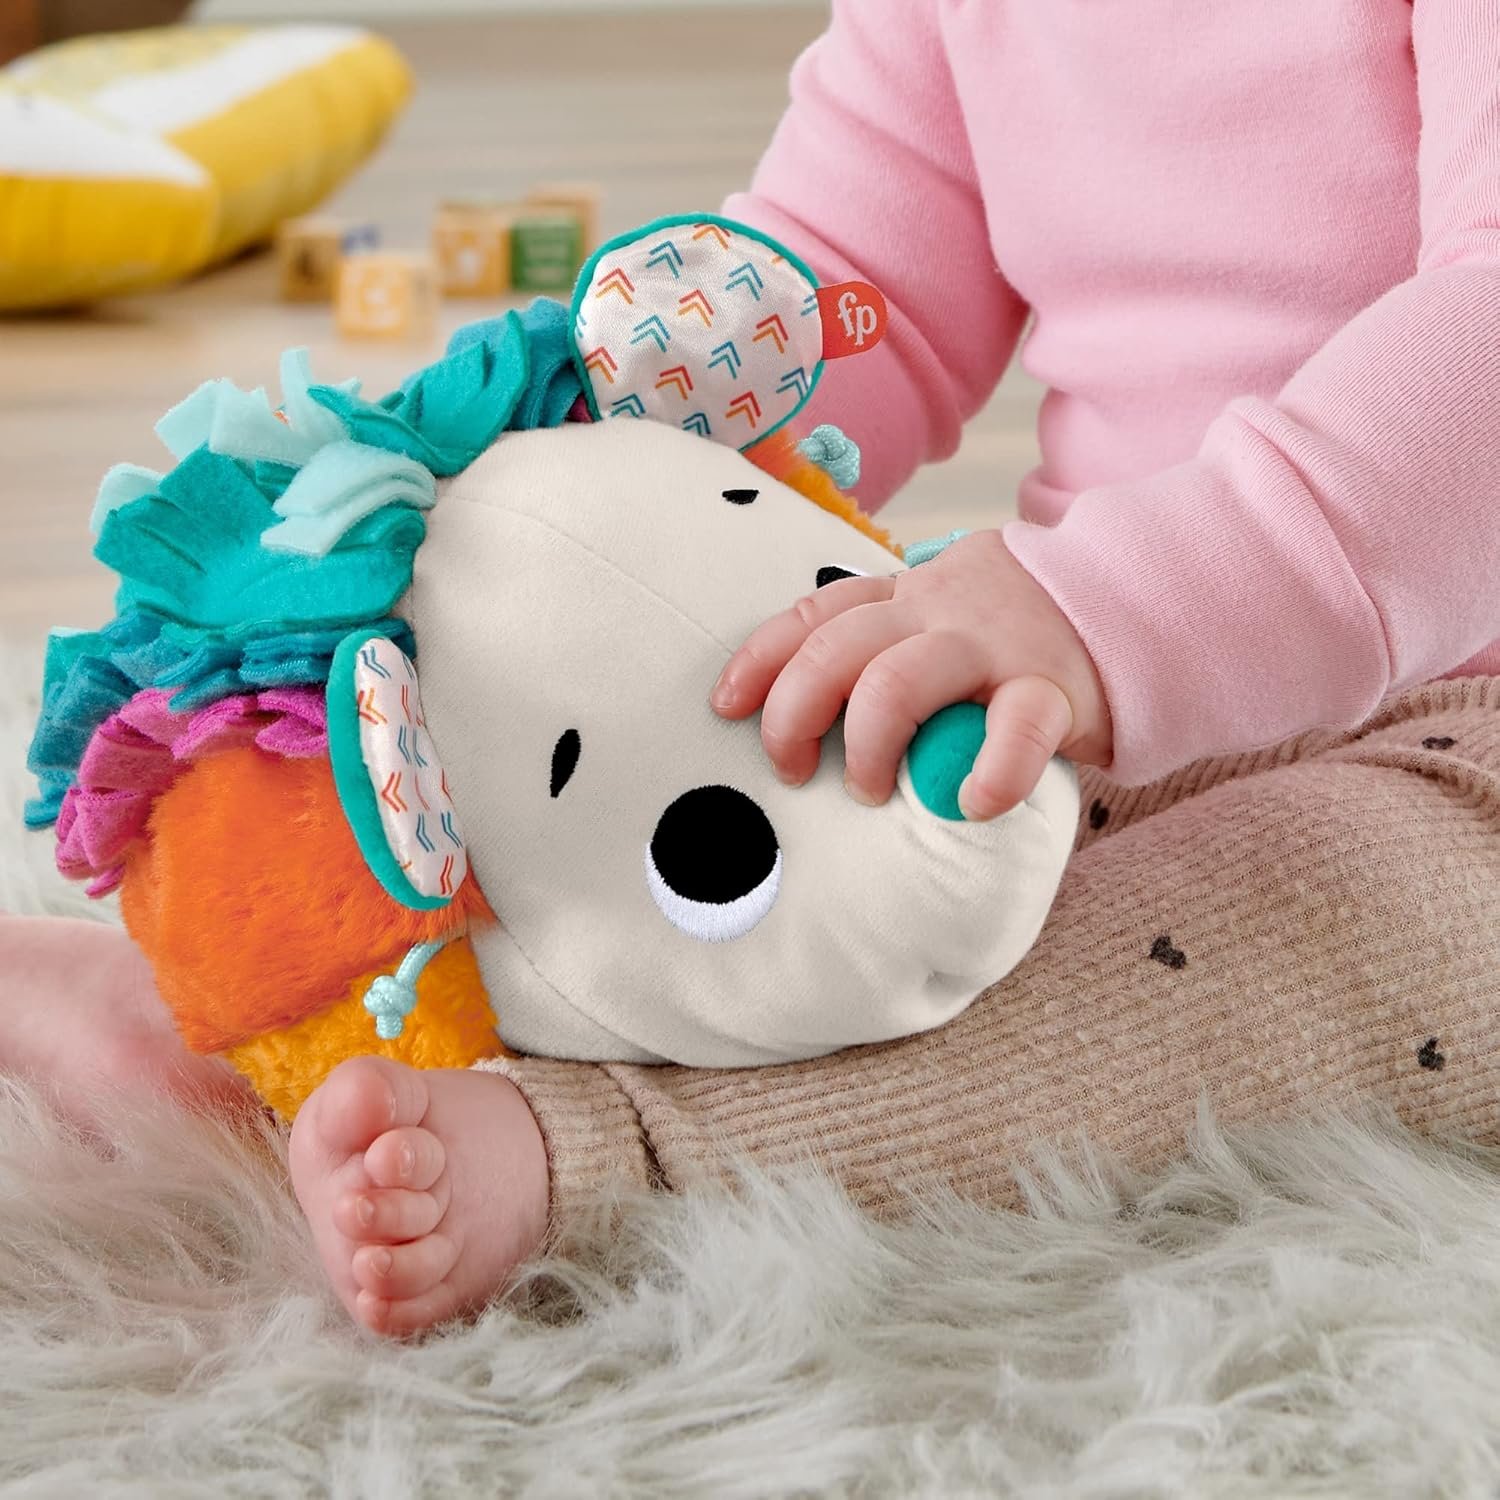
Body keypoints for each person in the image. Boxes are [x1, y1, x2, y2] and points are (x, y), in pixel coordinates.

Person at [9, 0, 1500, 1338]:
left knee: (1252, 940)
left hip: (1449, 721)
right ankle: (280, 1011)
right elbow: (847, 300)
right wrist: (515, 473)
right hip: (1071, 676)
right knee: (672, 789)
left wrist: (1101, 610)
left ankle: (595, 1149)